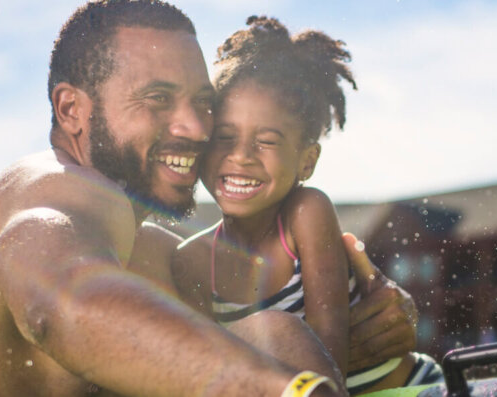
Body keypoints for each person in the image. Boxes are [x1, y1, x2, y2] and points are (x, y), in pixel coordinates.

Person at [0, 1, 416, 396]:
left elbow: (267, 321)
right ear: (71, 110)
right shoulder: (58, 187)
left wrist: (371, 322)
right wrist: (291, 391)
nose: (192, 127)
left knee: (273, 336)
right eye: (158, 99)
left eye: (201, 103)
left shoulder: (148, 248)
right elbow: (63, 305)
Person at [170, 16, 443, 396]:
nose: (240, 155)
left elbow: (326, 353)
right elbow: (210, 369)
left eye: (265, 141)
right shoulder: (191, 260)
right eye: (224, 137)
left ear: (306, 161)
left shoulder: (306, 213)